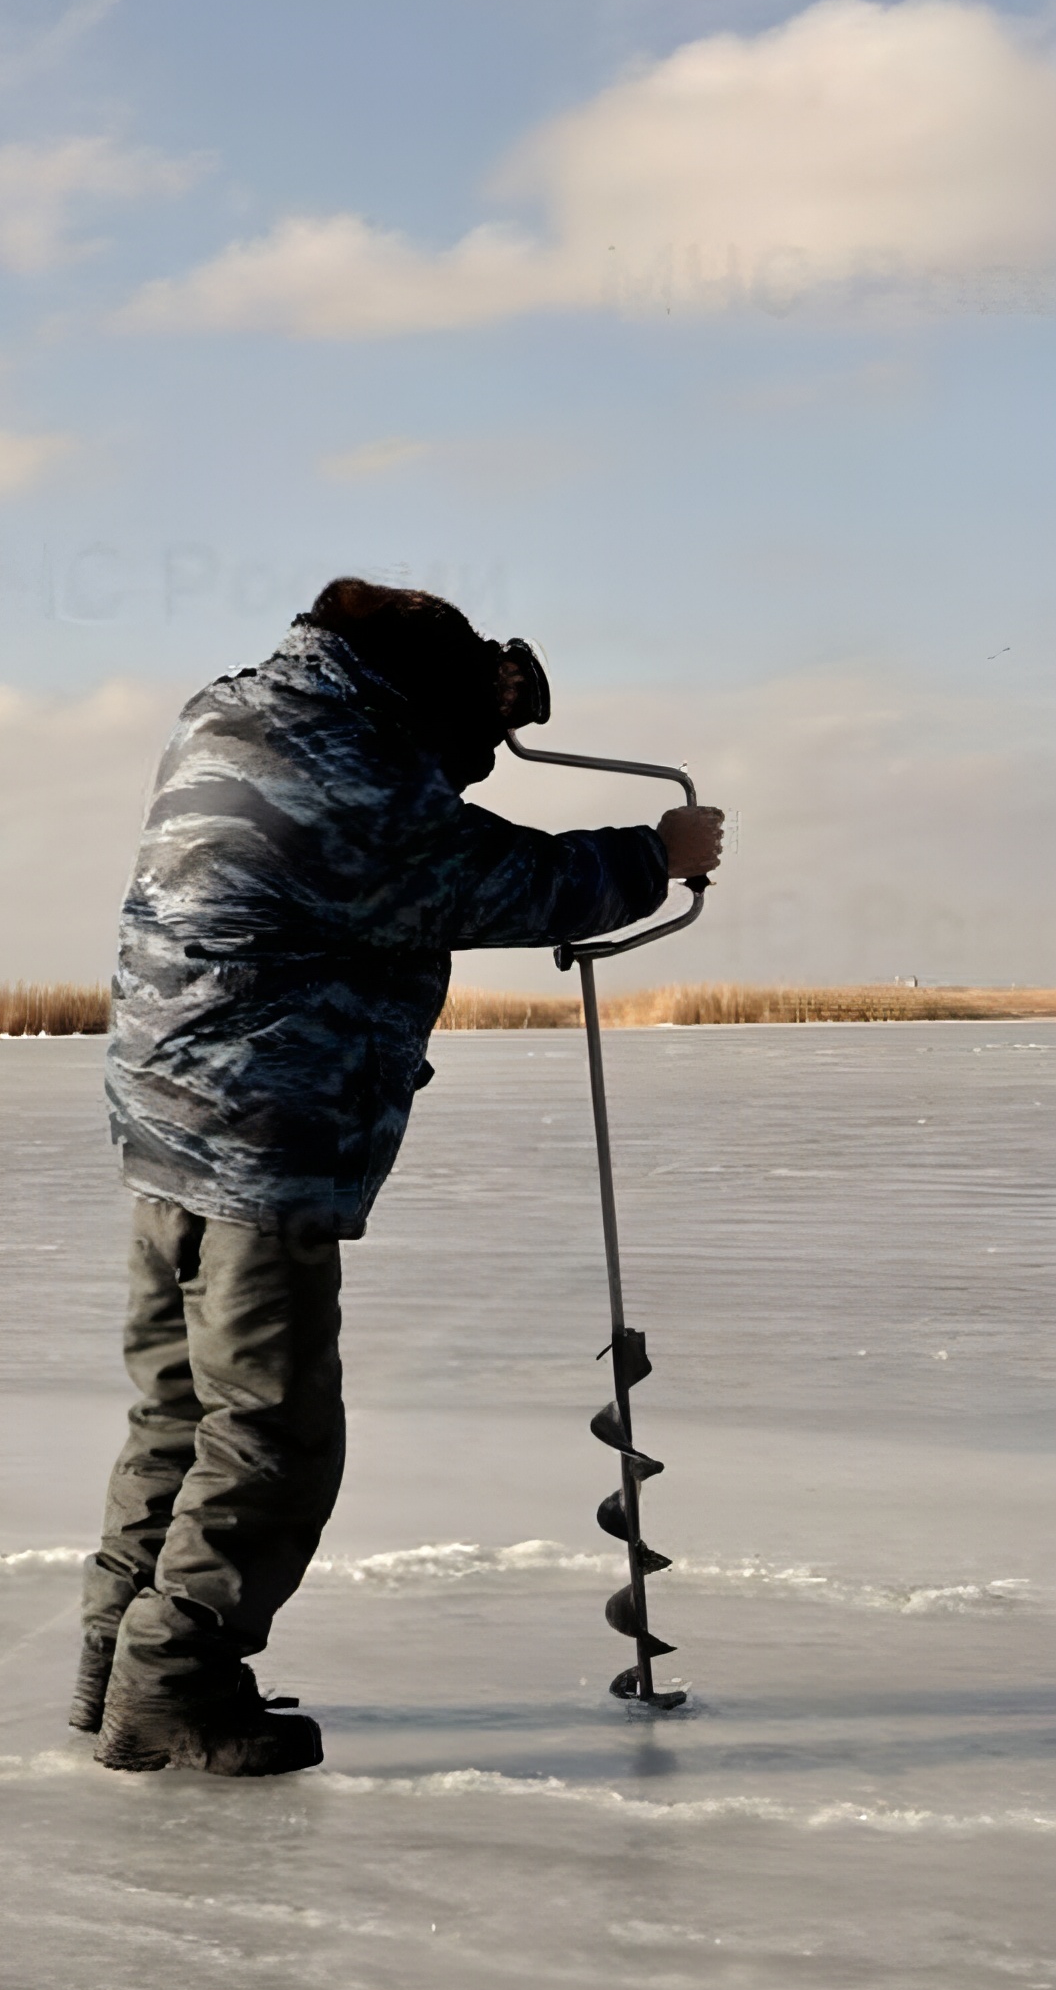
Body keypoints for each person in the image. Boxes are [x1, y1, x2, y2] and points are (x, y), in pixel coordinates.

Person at [72, 578, 723, 1776]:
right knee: (273, 1427)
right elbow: (475, 876)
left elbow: (411, 804)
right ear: (411, 686)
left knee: (180, 1407)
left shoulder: (244, 714)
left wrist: (475, 715)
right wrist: (654, 854)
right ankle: (176, 1678)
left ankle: (119, 1659)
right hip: (260, 1133)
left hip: (171, 1117)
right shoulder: (342, 774)